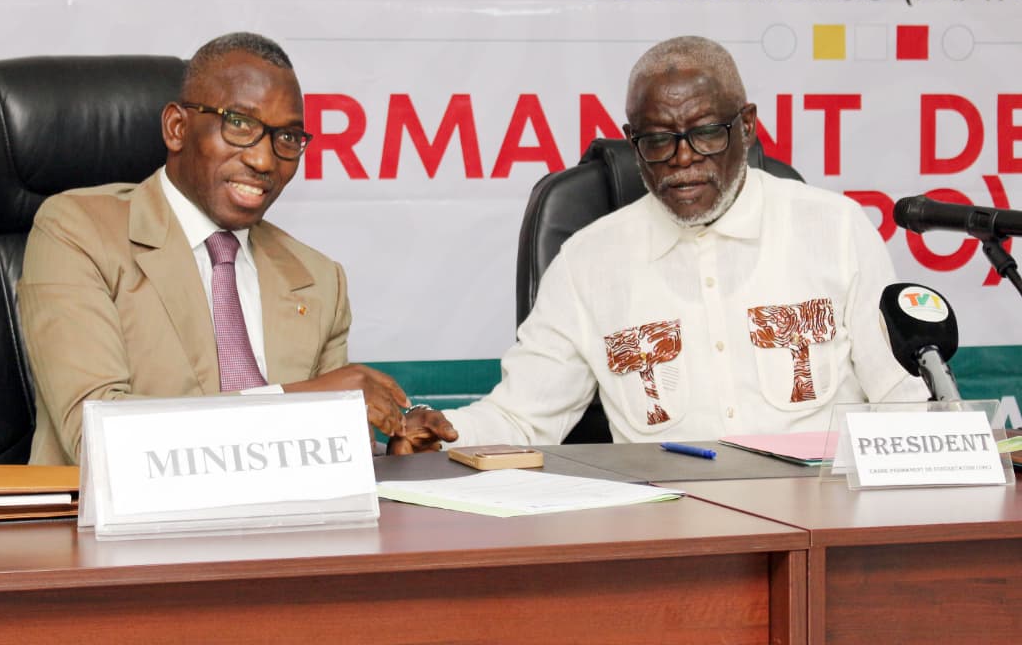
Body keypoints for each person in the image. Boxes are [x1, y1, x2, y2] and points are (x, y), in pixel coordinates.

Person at [393, 35, 926, 451]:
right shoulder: (587, 262)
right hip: (673, 533)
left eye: (706, 133)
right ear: (633, 142)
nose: (682, 158)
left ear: (747, 127)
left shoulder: (835, 229)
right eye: (657, 140)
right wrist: (439, 434)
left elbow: (904, 399)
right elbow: (520, 417)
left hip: (822, 524)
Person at [20, 32, 453, 465]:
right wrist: (299, 401)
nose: (264, 161)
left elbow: (324, 459)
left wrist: (384, 456)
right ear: (177, 128)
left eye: (287, 137)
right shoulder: (79, 231)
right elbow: (95, 440)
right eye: (240, 124)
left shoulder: (320, 280)